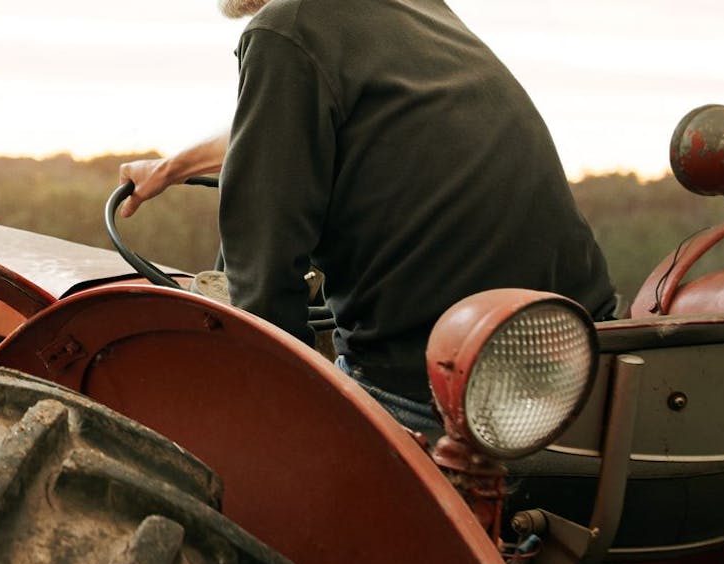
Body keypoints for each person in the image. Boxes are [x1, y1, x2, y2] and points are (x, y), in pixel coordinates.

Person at [120, 0, 616, 435]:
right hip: (584, 349)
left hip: (439, 389)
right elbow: (282, 127)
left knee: (218, 436)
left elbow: (264, 280)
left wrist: (272, 405)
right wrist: (171, 168)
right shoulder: (405, 10)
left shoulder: (286, 27)